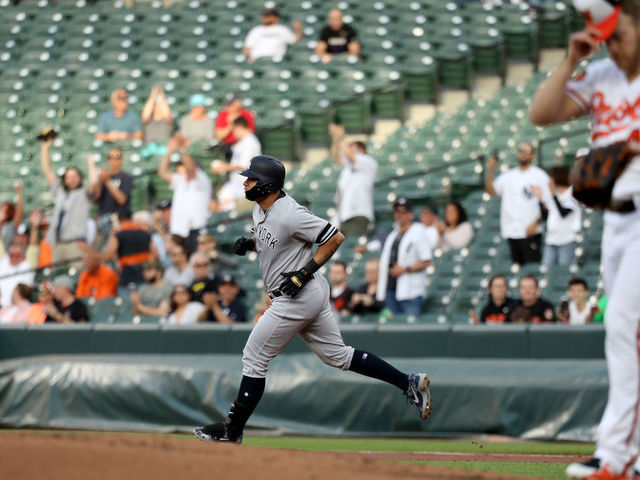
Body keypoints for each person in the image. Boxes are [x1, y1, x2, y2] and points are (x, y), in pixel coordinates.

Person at [194, 155, 432, 444]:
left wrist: (303, 272)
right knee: (338, 356)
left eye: (252, 178)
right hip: (308, 293)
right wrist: (251, 243)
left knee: (254, 356)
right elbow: (276, 239)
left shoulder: (290, 212)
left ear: (267, 185)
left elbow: (335, 237)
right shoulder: (261, 208)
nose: (245, 182)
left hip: (297, 295)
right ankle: (408, 382)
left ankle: (232, 429)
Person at [530, 1, 640, 476]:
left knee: (622, 326)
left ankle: (616, 455)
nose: (612, 45)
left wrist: (628, 146)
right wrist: (572, 60)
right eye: (605, 38)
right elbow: (542, 113)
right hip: (615, 224)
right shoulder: (600, 76)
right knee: (629, 336)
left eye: (620, 35)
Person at [484, 143, 551, 265]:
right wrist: (490, 170)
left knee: (532, 268)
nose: (522, 153)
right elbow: (491, 191)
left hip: (531, 232)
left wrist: (536, 223)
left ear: (532, 155)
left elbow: (548, 203)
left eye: (526, 151)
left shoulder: (539, 175)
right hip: (512, 231)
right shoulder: (508, 175)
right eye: (520, 150)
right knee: (516, 269)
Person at [40, 137, 92, 269]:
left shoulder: (85, 193)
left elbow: (95, 184)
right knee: (58, 279)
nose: (72, 179)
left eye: (75, 176)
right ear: (64, 179)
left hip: (75, 242)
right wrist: (45, 148)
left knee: (77, 277)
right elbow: (47, 171)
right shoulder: (60, 192)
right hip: (58, 243)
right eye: (68, 176)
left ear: (80, 178)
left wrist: (91, 164)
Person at [376, 198, 432, 315]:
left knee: (411, 329)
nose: (399, 214)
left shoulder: (418, 232)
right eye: (396, 211)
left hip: (411, 291)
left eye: (403, 211)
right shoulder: (393, 234)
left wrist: (405, 269)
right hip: (391, 290)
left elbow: (427, 260)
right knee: (393, 329)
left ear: (411, 213)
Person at [157, 134, 212, 253]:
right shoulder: (181, 180)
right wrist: (170, 151)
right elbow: (162, 172)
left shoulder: (202, 178)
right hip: (178, 232)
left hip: (195, 230)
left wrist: (182, 149)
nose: (183, 169)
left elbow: (191, 170)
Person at [329, 123, 377, 237]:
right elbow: (336, 157)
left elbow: (349, 155)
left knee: (352, 244)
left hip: (358, 214)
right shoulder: (349, 167)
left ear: (361, 150)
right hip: (343, 215)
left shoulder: (368, 162)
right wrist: (335, 138)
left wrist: (341, 137)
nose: (347, 149)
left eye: (352, 148)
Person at [531, 165, 582, 267]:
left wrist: (553, 194)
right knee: (546, 269)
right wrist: (540, 199)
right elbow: (545, 216)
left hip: (567, 239)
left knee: (564, 270)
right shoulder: (553, 195)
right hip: (551, 239)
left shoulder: (573, 193)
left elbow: (564, 213)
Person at [211, 116, 262, 212]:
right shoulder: (242, 142)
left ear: (238, 127)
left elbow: (243, 166)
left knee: (235, 216)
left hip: (246, 186)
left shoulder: (250, 142)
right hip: (235, 184)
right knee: (223, 208)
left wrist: (223, 167)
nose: (232, 132)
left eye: (233, 129)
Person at [99, 210, 155, 295]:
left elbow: (107, 256)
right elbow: (156, 254)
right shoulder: (145, 233)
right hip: (144, 274)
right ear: (131, 219)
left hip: (127, 276)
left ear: (119, 220)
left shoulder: (118, 235)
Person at [88, 147, 134, 243]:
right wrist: (100, 181)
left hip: (118, 219)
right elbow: (96, 199)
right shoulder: (104, 177)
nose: (114, 160)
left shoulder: (125, 177)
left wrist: (108, 181)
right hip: (103, 219)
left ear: (122, 160)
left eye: (117, 157)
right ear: (108, 159)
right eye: (111, 157)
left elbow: (121, 200)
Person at [141, 85, 174, 157]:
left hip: (164, 149)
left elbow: (167, 114)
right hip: (149, 149)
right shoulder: (148, 121)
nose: (158, 106)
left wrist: (162, 96)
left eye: (160, 105)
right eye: (156, 105)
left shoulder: (167, 121)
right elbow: (145, 115)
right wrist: (152, 96)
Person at [0, 243, 35, 308]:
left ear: (24, 256)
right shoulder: (4, 261)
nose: (14, 257)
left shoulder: (28, 266)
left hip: (15, 307)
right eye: (11, 255)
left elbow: (34, 247)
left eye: (18, 255)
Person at [0, 183, 24, 254]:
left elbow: (19, 211)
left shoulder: (10, 225)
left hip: (6, 259)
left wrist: (19, 193)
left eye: (3, 210)